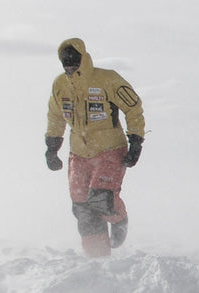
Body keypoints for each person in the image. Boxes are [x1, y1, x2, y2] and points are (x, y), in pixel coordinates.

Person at [44, 38, 146, 257]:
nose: (69, 66)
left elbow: (133, 107)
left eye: (73, 61)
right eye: (65, 62)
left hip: (109, 149)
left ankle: (119, 218)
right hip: (78, 152)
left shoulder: (107, 79)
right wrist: (52, 147)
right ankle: (97, 259)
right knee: (82, 206)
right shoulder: (60, 85)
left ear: (82, 58)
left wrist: (136, 140)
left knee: (101, 198)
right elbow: (55, 116)